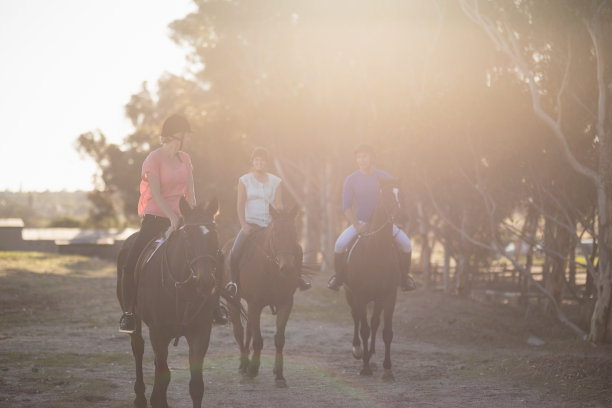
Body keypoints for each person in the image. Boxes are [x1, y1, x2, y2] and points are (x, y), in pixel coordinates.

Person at [119, 114, 227, 333]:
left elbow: (191, 192)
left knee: (214, 256)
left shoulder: (185, 158)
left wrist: (197, 215)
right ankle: (129, 313)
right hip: (156, 219)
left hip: (185, 220)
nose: (188, 139)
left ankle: (215, 306)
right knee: (131, 263)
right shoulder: (153, 160)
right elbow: (156, 194)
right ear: (176, 135)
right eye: (186, 134)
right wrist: (172, 216)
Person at [327, 143, 416, 292]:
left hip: (384, 224)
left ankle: (404, 279)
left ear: (372, 158)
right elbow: (346, 207)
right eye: (359, 157)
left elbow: (395, 198)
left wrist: (395, 215)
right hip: (361, 223)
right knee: (339, 245)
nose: (362, 160)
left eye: (365, 156)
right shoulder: (351, 179)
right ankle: (339, 278)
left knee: (406, 244)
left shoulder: (384, 176)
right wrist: (357, 225)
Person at [225, 147, 311, 297]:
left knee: (297, 248)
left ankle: (299, 278)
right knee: (235, 251)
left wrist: (281, 215)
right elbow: (240, 203)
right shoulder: (244, 180)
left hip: (271, 224)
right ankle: (233, 282)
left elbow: (278, 203)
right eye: (256, 160)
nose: (259, 163)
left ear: (267, 163)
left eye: (262, 161)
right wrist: (244, 225)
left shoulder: (276, 181)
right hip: (251, 224)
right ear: (252, 162)